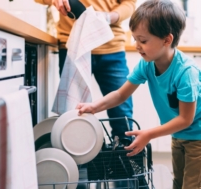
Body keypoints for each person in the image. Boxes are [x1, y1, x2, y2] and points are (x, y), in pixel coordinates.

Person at [77, 0, 201, 188]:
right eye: (135, 39)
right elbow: (120, 95)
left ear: (167, 40)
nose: (137, 45)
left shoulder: (186, 73)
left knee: (193, 185)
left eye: (143, 40)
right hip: (178, 134)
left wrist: (149, 134)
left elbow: (186, 119)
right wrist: (94, 106)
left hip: (200, 134)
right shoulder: (147, 64)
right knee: (178, 182)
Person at [34, 0, 136, 140]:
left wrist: (109, 16)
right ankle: (75, 159)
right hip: (73, 45)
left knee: (122, 116)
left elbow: (129, 3)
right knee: (72, 113)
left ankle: (124, 157)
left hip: (111, 46)